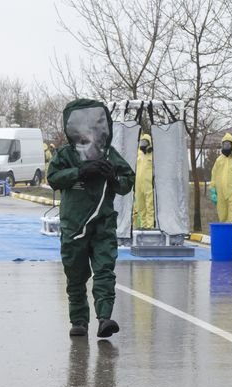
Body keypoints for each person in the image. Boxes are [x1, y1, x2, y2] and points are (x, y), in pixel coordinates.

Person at [47, 98, 135, 338]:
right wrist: (80, 172)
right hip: (74, 225)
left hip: (103, 223)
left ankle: (104, 318)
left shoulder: (108, 155)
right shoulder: (66, 154)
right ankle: (79, 321)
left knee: (105, 270)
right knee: (75, 275)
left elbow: (127, 181)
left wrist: (113, 179)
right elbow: (53, 178)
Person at [134, 133, 154, 229]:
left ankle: (150, 227)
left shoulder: (153, 155)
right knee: (140, 207)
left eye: (145, 142)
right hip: (138, 184)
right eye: (142, 142)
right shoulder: (138, 154)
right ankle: (143, 226)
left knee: (150, 206)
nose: (143, 144)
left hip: (149, 184)